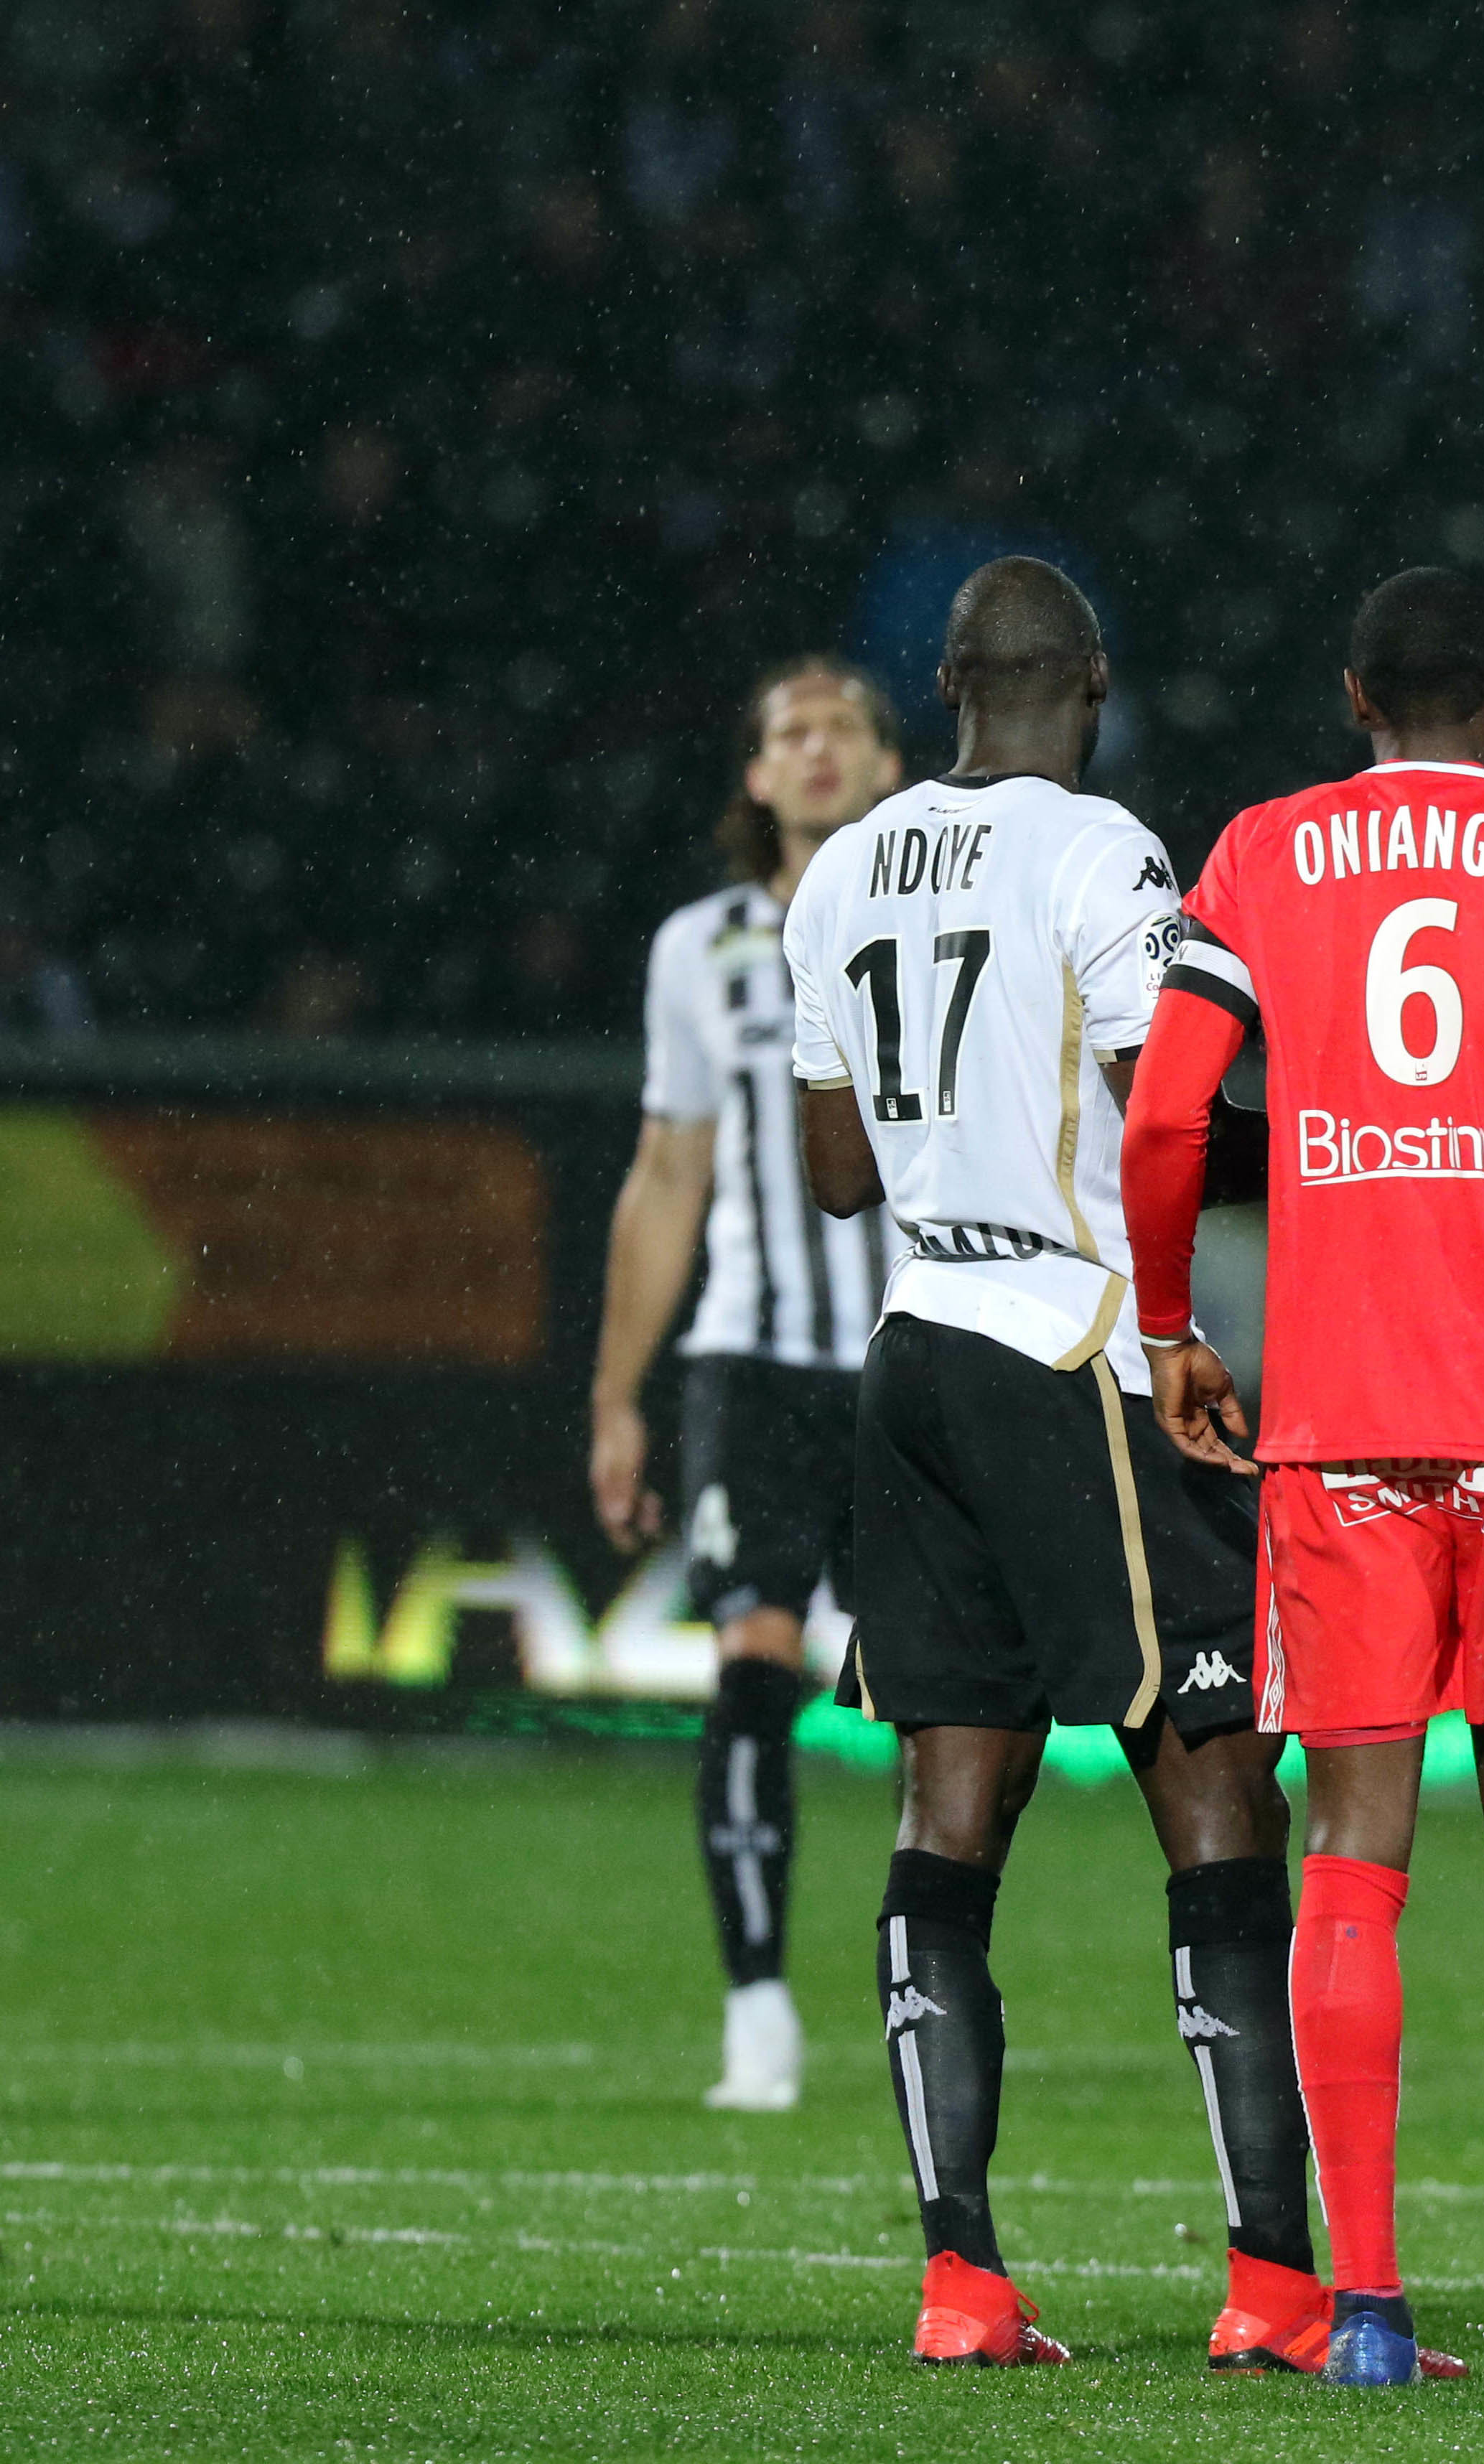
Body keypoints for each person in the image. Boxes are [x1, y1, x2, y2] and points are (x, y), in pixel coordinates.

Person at [1121, 565, 1484, 2389]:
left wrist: (1169, 1324)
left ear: (1354, 692)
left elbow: (1163, 1115)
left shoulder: (1263, 850)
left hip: (1349, 1411)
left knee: (1353, 1846)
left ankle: (1369, 2311)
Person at [785, 558, 1323, 2374]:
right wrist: (1341, 1149)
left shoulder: (840, 867)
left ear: (943, 684)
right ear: (1093, 680)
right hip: (1073, 1345)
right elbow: (1169, 1115)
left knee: (952, 1809)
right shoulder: (1105, 853)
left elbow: (840, 1174)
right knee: (1218, 1783)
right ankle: (1272, 2286)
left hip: (916, 1350)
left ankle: (963, 2282)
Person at [589, 655, 902, 2113]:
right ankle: (759, 2007)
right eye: (790, 729)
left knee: (949, 1701)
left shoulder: (935, 917)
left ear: (893, 765)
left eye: (845, 724)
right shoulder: (699, 950)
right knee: (752, 1661)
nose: (820, 746)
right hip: (752, 1362)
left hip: (919, 1351)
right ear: (758, 779)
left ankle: (923, 1984)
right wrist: (617, 1394)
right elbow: (668, 1173)